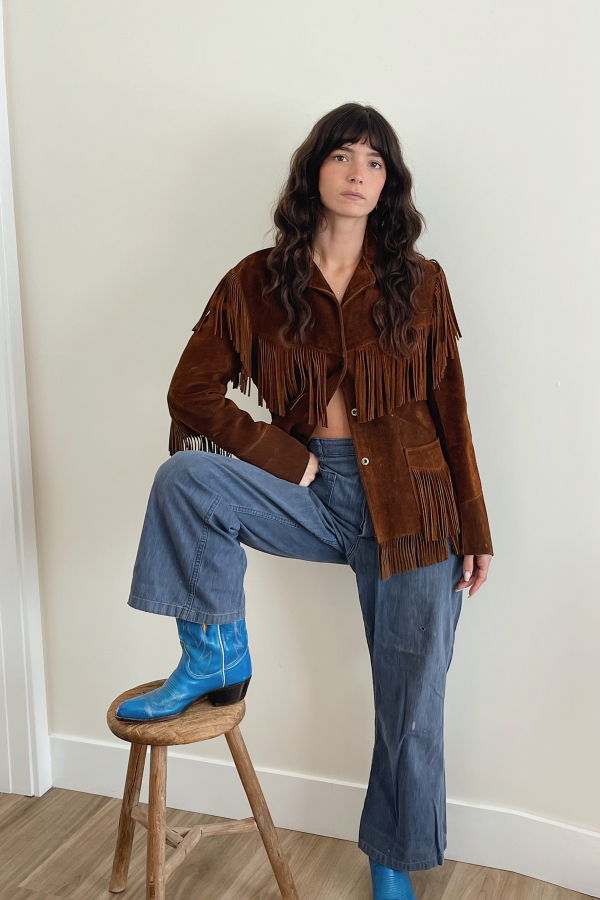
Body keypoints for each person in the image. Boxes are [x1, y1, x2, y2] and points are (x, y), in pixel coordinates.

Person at [116, 102, 494, 899]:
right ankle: (215, 655)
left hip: (414, 508)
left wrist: (475, 527)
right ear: (314, 169)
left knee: (411, 702)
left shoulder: (420, 283)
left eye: (375, 161)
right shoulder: (256, 281)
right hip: (314, 490)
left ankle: (391, 857)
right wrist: (283, 457)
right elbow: (191, 392)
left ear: (388, 184)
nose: (358, 173)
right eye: (343, 155)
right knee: (185, 480)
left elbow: (451, 409)